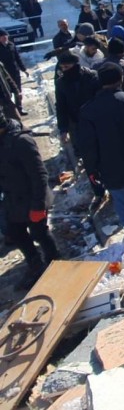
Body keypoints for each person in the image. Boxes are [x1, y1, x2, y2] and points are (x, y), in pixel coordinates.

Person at [78, 63, 124, 249]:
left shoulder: (88, 111)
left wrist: (92, 171)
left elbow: (88, 146)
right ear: (121, 79)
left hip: (110, 169)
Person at [0, 111, 59, 289]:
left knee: (39, 233)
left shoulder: (21, 142)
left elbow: (40, 175)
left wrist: (38, 206)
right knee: (15, 233)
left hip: (32, 198)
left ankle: (55, 263)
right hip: (12, 199)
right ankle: (35, 264)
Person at [54, 52, 102, 201]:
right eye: (62, 67)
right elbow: (61, 107)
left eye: (67, 66)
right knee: (88, 160)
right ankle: (98, 190)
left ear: (75, 65)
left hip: (97, 123)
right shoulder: (61, 83)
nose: (64, 70)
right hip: (78, 126)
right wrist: (63, 129)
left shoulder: (92, 77)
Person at [0, 29, 28, 115]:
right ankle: (8, 110)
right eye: (3, 37)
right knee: (6, 91)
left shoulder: (11, 45)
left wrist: (24, 69)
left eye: (6, 36)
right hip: (4, 73)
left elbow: (18, 58)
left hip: (14, 71)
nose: (5, 38)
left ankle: (19, 108)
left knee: (18, 90)